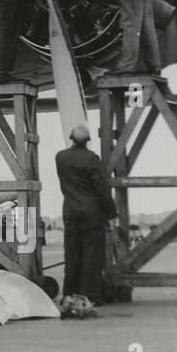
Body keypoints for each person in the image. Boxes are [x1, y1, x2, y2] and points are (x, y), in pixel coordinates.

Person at [55, 124, 119, 318]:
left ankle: (68, 292)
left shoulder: (61, 157)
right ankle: (90, 294)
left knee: (72, 253)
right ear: (88, 140)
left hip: (71, 211)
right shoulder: (91, 159)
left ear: (70, 137)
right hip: (91, 212)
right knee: (92, 255)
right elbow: (100, 188)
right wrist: (111, 212)